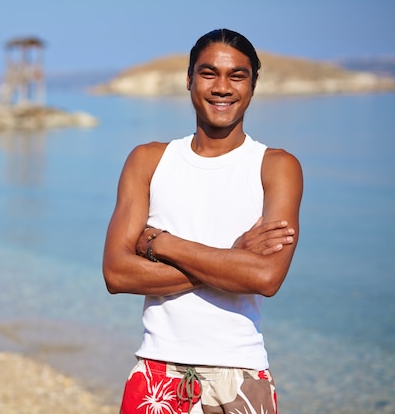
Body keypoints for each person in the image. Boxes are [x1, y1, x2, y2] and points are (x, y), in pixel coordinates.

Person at [102, 28, 303, 414]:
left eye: (237, 75)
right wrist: (232, 259)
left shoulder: (276, 167)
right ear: (189, 79)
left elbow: (266, 278)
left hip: (241, 376)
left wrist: (160, 244)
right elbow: (117, 274)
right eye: (209, 73)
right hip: (156, 375)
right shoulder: (148, 160)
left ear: (254, 84)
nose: (222, 87)